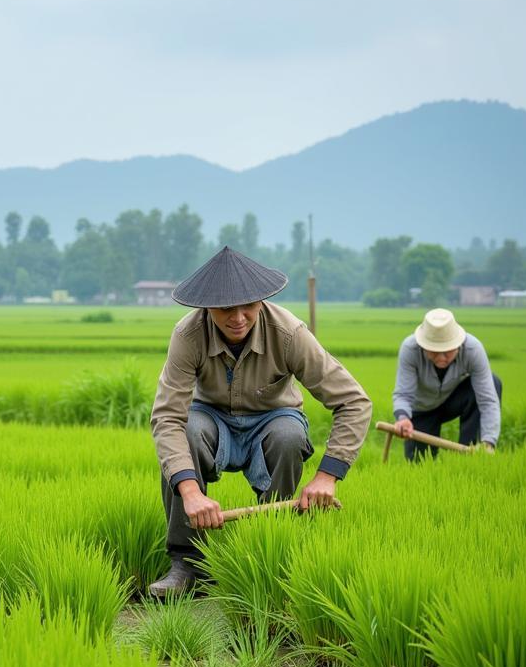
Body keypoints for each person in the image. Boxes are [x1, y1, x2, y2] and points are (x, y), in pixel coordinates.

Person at [148, 247, 372, 598]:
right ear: (207, 307)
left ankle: (267, 553)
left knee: (288, 435)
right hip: (212, 419)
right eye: (225, 309)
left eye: (248, 306)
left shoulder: (289, 333)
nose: (238, 317)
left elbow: (354, 401)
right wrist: (189, 492)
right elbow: (166, 416)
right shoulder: (188, 335)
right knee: (188, 431)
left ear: (261, 301)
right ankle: (188, 564)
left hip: (273, 417)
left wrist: (327, 477)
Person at [392, 308, 501, 459]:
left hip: (453, 400)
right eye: (434, 351)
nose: (441, 358)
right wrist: (403, 418)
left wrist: (489, 441)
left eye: (447, 351)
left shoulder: (473, 349)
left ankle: (473, 454)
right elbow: (403, 393)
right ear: (423, 346)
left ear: (457, 345)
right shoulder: (410, 348)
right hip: (422, 408)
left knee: (494, 381)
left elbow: (488, 400)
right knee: (419, 465)